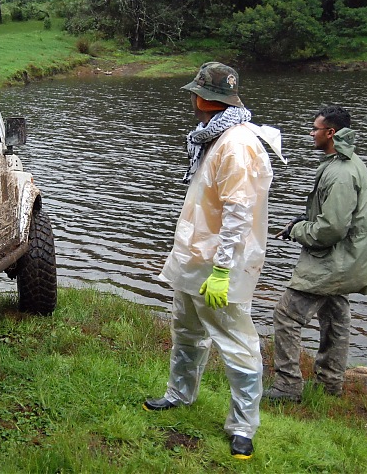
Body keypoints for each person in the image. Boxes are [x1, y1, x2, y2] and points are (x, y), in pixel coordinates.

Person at [144, 62, 281, 460]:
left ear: (205, 98)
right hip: (194, 256)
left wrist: (222, 270)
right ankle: (179, 395)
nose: (191, 99)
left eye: (195, 93)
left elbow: (239, 211)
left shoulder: (237, 144)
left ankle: (243, 427)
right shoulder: (213, 136)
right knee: (186, 330)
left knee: (238, 343)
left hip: (220, 264)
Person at [264, 105, 367, 403]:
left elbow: (332, 229)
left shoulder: (339, 173)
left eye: (315, 129)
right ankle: (329, 385)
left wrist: (297, 231)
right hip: (347, 261)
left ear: (331, 132)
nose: (311, 133)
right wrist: (302, 222)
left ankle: (287, 387)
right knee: (336, 318)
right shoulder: (349, 163)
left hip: (332, 263)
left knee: (286, 315)